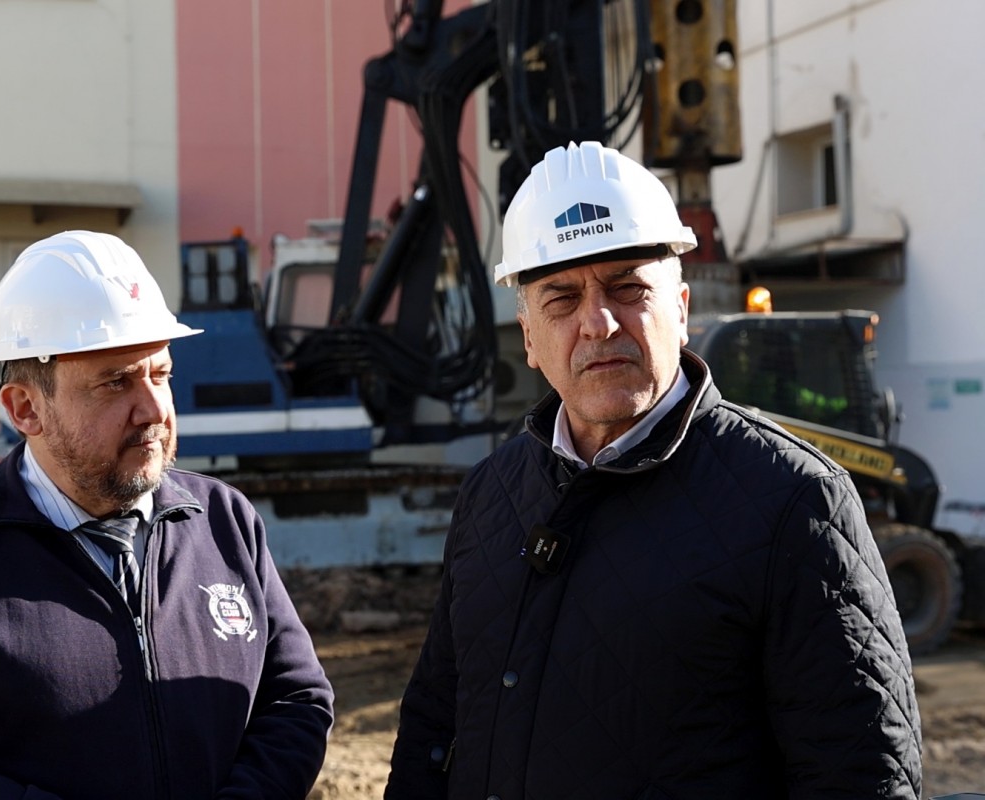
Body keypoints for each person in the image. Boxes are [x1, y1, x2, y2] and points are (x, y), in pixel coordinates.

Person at [384, 142, 922, 798]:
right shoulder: (489, 493)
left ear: (682, 308)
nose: (598, 322)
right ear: (528, 338)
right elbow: (434, 722)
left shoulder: (795, 502)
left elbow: (858, 775)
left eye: (627, 287)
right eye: (562, 299)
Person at [0, 231, 334, 799]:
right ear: (26, 408)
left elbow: (295, 698)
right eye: (115, 382)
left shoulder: (223, 521)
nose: (154, 409)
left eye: (161, 375)